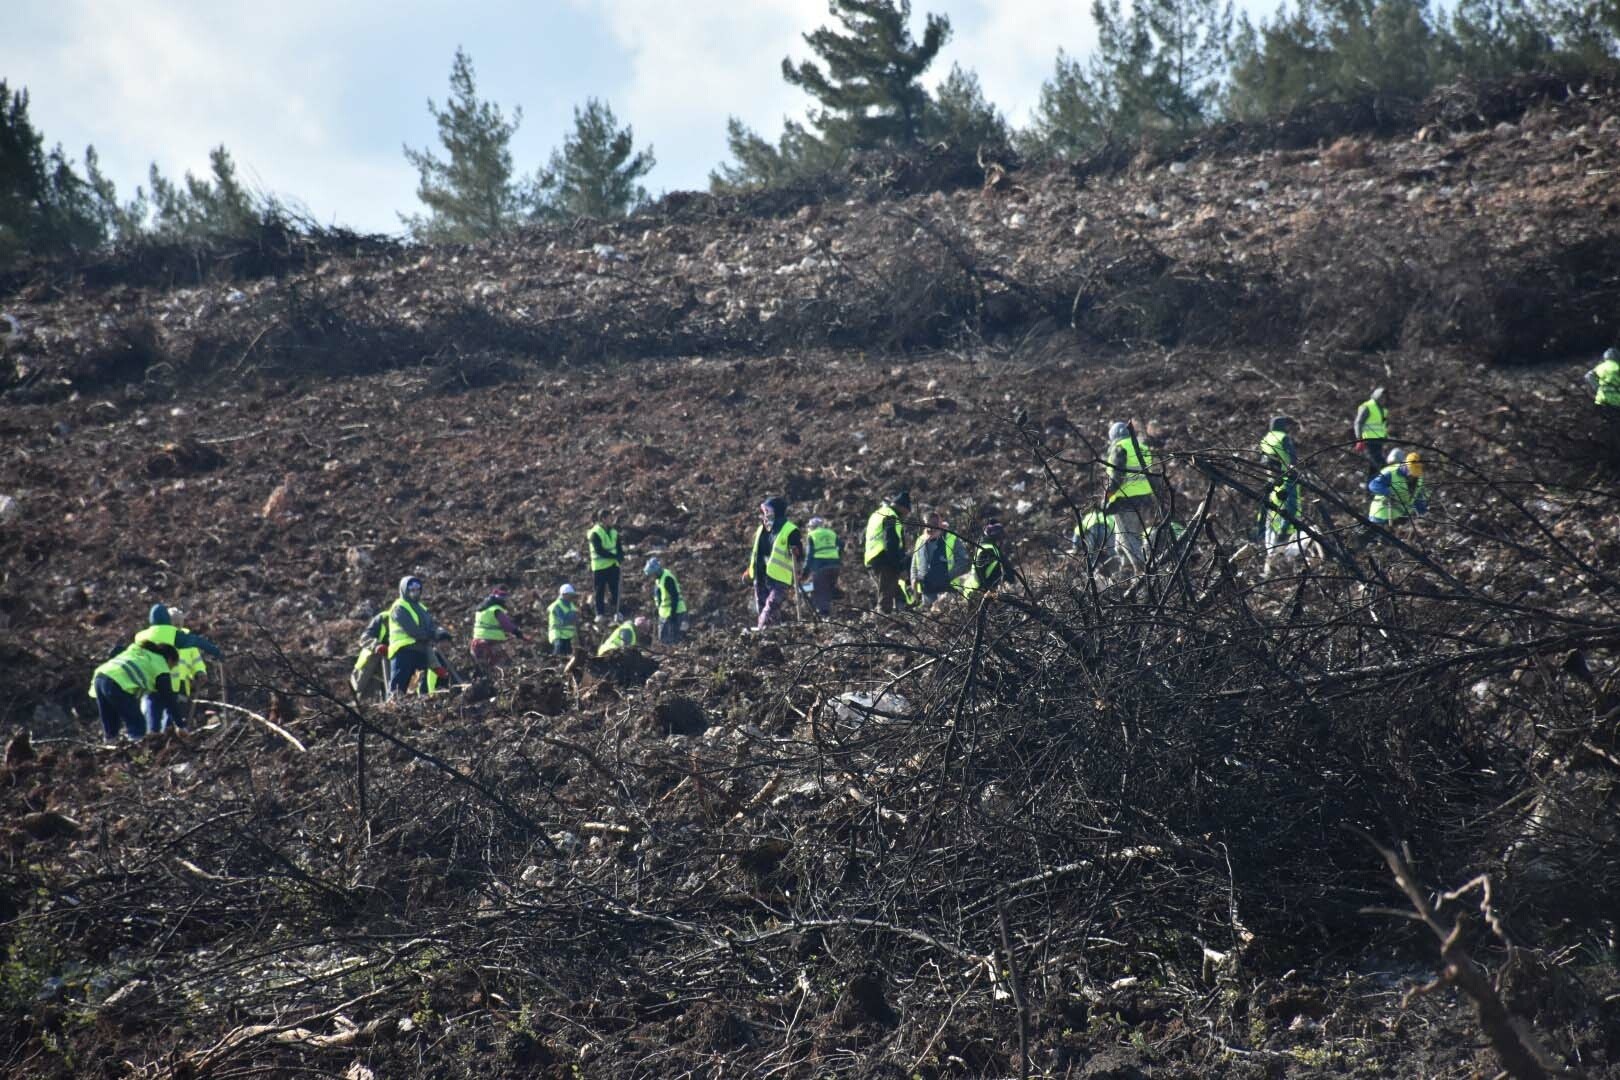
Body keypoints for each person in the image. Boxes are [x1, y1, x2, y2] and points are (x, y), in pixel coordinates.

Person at [133, 605, 222, 733]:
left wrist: (199, 671)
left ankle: (167, 737)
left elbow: (196, 659)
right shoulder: (169, 636)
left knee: (172, 716)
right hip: (164, 683)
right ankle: (157, 737)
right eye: (175, 623)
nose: (177, 626)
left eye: (179, 623)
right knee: (156, 713)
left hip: (179, 685)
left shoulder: (185, 637)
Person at [89, 640, 179, 744]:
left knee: (111, 725)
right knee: (137, 724)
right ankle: (138, 755)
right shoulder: (160, 665)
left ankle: (109, 752)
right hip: (117, 682)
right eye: (173, 665)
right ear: (169, 659)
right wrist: (181, 725)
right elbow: (169, 699)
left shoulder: (139, 652)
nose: (171, 669)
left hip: (100, 677)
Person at [385, 576, 451, 698]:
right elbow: (413, 631)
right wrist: (431, 635)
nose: (415, 592)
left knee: (428, 678)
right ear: (404, 589)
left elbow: (430, 626)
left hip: (420, 650)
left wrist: (438, 633)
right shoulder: (399, 607)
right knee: (399, 685)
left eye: (417, 589)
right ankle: (394, 704)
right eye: (411, 589)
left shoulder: (422, 608)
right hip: (403, 651)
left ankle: (427, 699)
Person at [745, 496, 804, 629]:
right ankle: (772, 636)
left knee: (770, 607)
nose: (765, 513)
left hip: (779, 577)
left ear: (776, 511)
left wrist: (796, 551)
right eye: (764, 510)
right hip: (760, 574)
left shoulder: (790, 530)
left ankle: (762, 630)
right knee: (764, 608)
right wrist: (749, 570)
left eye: (768, 510)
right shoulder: (762, 529)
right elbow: (756, 552)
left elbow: (799, 554)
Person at [1103, 423, 1154, 571]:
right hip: (1145, 499)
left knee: (1128, 538)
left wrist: (1107, 496)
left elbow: (1116, 477)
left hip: (1126, 500)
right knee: (1126, 538)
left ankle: (1141, 570)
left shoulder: (1119, 448)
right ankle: (1126, 571)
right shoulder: (1142, 447)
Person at [863, 489, 911, 612]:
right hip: (885, 559)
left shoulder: (877, 514)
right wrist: (899, 566)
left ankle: (900, 615)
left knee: (896, 592)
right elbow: (891, 542)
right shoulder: (891, 517)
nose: (906, 515)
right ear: (902, 507)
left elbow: (862, 537)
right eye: (907, 512)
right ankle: (883, 621)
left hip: (872, 558)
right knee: (886, 596)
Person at [1258, 416, 1300, 552]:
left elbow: (1262, 458)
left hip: (1270, 476)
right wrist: (1295, 469)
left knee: (1268, 503)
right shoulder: (1283, 437)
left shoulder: (1266, 438)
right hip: (1285, 475)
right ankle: (1284, 531)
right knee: (1291, 503)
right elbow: (1292, 457)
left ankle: (1262, 533)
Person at [911, 511, 967, 607]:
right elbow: (915, 563)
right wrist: (914, 578)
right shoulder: (920, 540)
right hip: (927, 590)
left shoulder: (951, 538)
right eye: (927, 524)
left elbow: (963, 561)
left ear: (940, 524)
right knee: (929, 618)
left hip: (948, 590)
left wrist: (948, 576)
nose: (930, 528)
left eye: (933, 524)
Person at [1368, 449, 1428, 529]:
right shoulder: (1391, 472)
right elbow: (1373, 485)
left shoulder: (1419, 478)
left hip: (1400, 518)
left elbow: (1417, 496)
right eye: (1410, 470)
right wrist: (1388, 492)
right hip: (1381, 514)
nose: (1411, 474)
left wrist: (1422, 510)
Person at [470, 586, 525, 672]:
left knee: (485, 670)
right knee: (503, 667)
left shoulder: (481, 610)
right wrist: (518, 633)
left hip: (476, 644)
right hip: (490, 644)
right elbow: (507, 625)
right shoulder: (496, 610)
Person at [802, 516, 843, 617]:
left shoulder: (812, 535)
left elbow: (809, 555)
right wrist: (838, 557)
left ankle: (824, 616)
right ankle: (833, 612)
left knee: (821, 592)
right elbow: (842, 545)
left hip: (820, 567)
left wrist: (805, 573)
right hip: (835, 566)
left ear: (812, 527)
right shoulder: (831, 533)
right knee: (829, 590)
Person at [587, 514, 623, 622]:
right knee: (600, 591)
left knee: (615, 589)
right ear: (603, 519)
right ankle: (600, 613)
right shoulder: (595, 533)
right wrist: (614, 556)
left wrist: (621, 556)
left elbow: (618, 547)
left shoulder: (613, 532)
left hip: (613, 566)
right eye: (609, 518)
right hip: (600, 567)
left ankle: (617, 612)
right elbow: (599, 550)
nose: (612, 520)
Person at [644, 557, 687, 644]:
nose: (651, 577)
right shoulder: (659, 579)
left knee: (672, 639)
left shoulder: (667, 579)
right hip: (665, 614)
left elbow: (674, 597)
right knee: (664, 640)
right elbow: (661, 597)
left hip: (675, 613)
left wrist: (673, 613)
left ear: (656, 572)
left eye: (652, 574)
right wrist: (658, 609)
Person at [351, 604, 390, 699]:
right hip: (370, 668)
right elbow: (364, 638)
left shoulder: (409, 625)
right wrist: (377, 646)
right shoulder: (383, 618)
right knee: (366, 703)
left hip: (390, 669)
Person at [1353, 387, 1389, 478]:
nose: (1383, 399)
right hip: (1368, 442)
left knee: (1373, 469)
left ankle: (1371, 490)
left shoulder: (1383, 411)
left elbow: (1382, 426)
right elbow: (1358, 422)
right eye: (1382, 397)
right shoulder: (1368, 406)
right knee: (1381, 465)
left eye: (1385, 397)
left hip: (1378, 442)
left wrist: (1385, 437)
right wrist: (1359, 439)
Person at [1070, 507, 1115, 573]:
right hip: (1108, 530)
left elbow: (1078, 531)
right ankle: (1113, 567)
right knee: (1110, 552)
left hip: (1093, 530)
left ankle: (1094, 572)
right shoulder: (1110, 515)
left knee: (1093, 553)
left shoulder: (1090, 516)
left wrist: (1075, 548)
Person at [548, 584, 580, 656]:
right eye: (570, 595)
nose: (571, 597)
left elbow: (576, 620)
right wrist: (572, 618)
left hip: (567, 635)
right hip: (557, 633)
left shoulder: (572, 606)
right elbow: (563, 620)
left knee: (568, 653)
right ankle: (553, 662)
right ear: (564, 594)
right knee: (559, 647)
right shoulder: (556, 606)